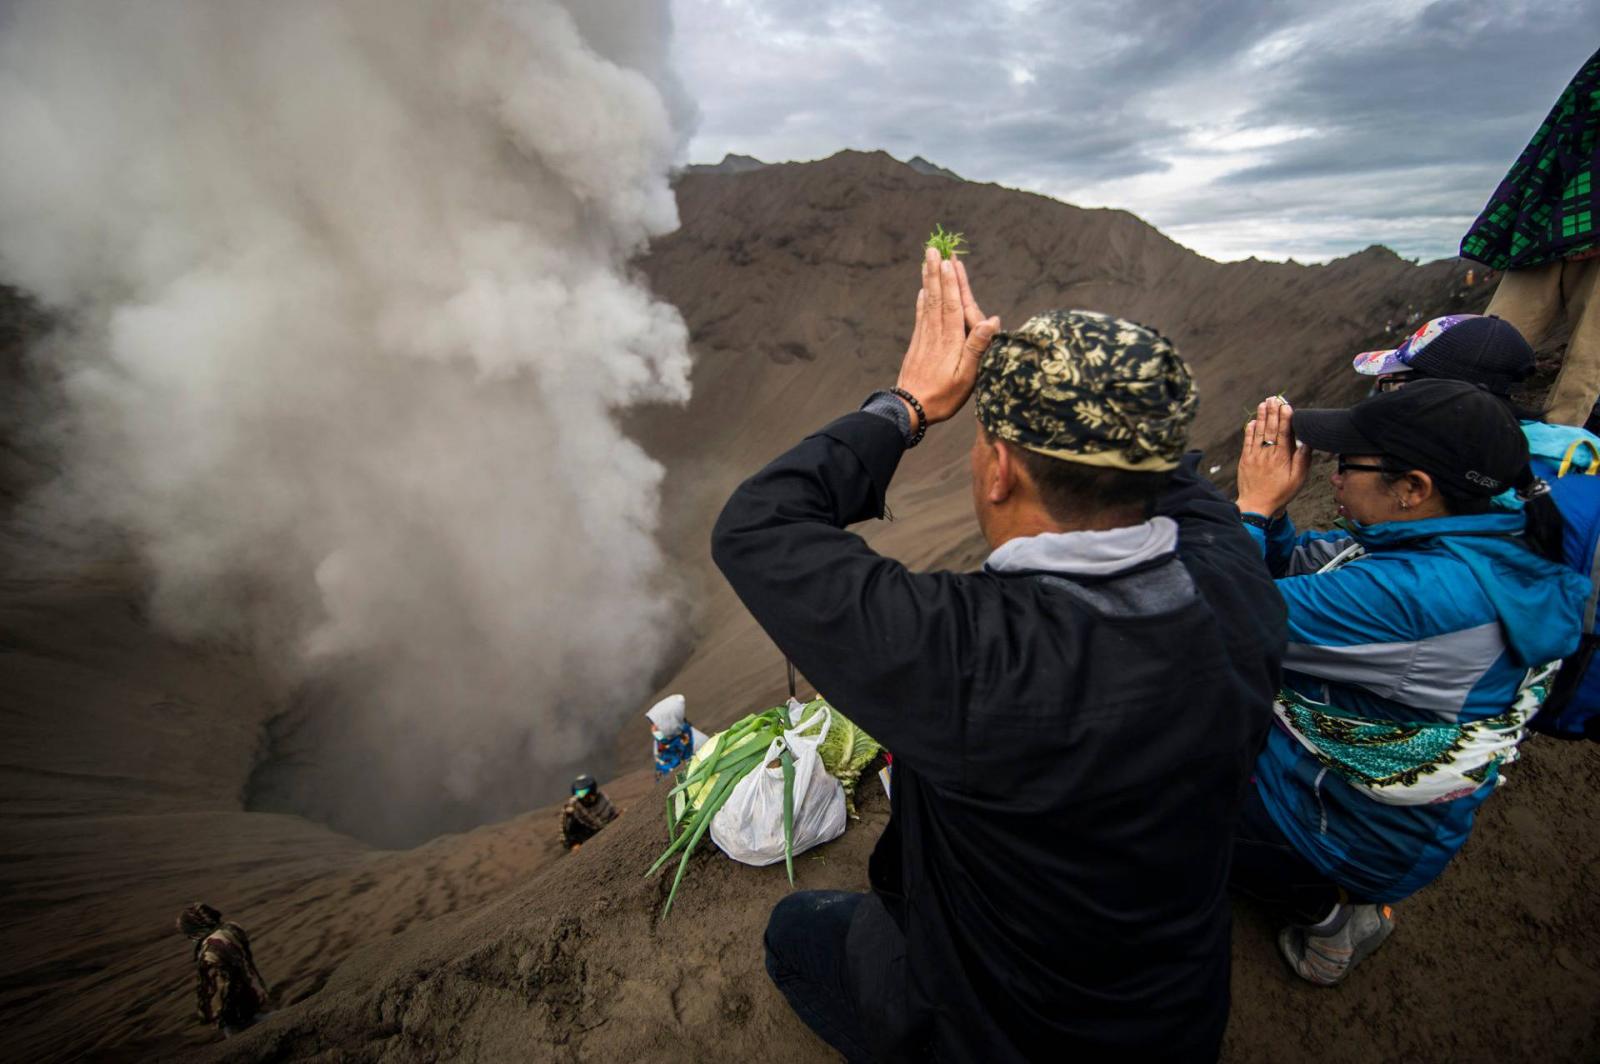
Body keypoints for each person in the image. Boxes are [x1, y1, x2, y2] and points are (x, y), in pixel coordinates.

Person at [713, 248, 1286, 1062]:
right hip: (1174, 1021)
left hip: (1006, 1035)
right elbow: (1181, 486)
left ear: (999, 472)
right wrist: (1082, 380)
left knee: (795, 934)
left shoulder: (971, 662)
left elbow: (758, 526)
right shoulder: (1239, 592)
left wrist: (907, 404)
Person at [1230, 383, 1587, 986]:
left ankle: (1333, 922)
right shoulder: (1482, 531)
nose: (1334, 477)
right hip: (1395, 812)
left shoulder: (1421, 596)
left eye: (1348, 463)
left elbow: (1215, 618)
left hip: (1349, 830)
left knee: (1172, 796)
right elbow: (1308, 576)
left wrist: (1253, 510)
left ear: (1414, 488)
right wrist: (1278, 523)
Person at [1461, 47, 1600, 426]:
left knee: (1587, 362)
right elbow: (1565, 136)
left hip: (1571, 220)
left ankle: (1554, 454)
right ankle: (1452, 428)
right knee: (1493, 340)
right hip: (1554, 215)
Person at [177, 903, 270, 1038]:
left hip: (235, 1011)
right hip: (252, 992)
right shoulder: (231, 929)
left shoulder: (210, 952)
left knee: (243, 1038)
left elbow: (219, 989)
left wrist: (213, 1015)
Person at [644, 693, 706, 778]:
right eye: (652, 724)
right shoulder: (660, 741)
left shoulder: (698, 743)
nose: (653, 729)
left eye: (657, 726)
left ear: (670, 723)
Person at [558, 774, 617, 852]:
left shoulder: (601, 798)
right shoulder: (572, 807)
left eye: (583, 793)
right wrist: (573, 844)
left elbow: (612, 812)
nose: (581, 796)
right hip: (587, 839)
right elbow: (565, 832)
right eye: (578, 793)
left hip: (607, 831)